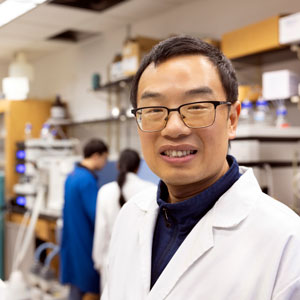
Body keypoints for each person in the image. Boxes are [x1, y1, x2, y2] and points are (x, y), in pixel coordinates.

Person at [102, 36, 300, 300]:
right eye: (153, 109)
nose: (173, 128)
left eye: (196, 107)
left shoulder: (288, 244)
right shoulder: (129, 216)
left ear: (232, 119)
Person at [92, 148, 156, 290]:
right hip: (141, 264)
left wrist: (98, 261)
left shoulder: (105, 191)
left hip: (110, 261)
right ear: (138, 167)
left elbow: (101, 231)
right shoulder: (151, 190)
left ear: (118, 165)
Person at [60, 138, 108, 300]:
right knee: (87, 288)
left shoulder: (72, 175)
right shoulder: (87, 180)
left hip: (72, 241)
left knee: (75, 288)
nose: (105, 163)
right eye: (105, 158)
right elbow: (96, 215)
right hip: (85, 242)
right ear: (96, 156)